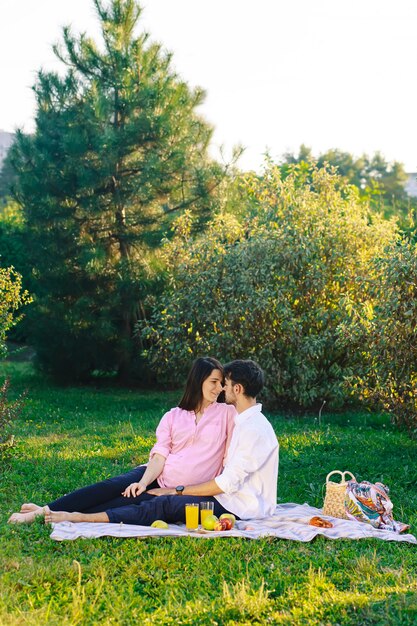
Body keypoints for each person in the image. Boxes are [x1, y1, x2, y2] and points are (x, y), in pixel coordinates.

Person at [39, 360, 279, 526]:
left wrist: (175, 490)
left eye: (223, 383)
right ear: (199, 382)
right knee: (116, 486)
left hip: (231, 501)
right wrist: (146, 482)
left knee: (155, 504)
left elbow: (227, 481)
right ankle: (47, 511)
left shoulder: (237, 419)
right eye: (214, 382)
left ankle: (73, 517)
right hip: (165, 476)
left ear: (237, 388)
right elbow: (161, 453)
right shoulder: (181, 415)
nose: (221, 388)